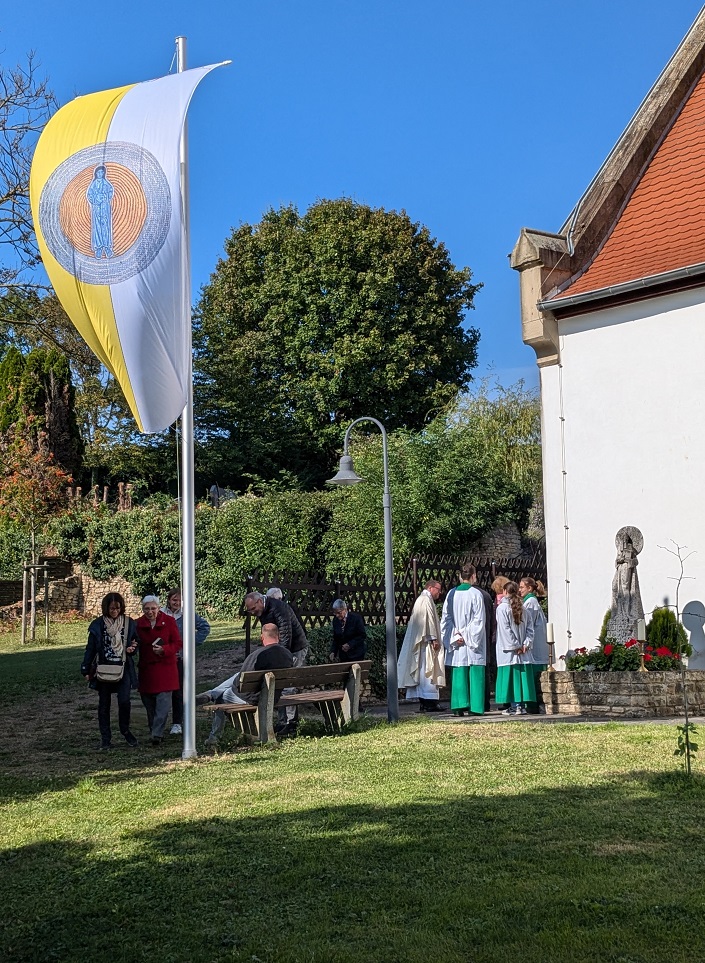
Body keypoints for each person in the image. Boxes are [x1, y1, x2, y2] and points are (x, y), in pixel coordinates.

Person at [197, 622, 294, 745]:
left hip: (251, 698)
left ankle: (214, 737)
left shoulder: (257, 655)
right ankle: (212, 693)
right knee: (236, 676)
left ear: (261, 637)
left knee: (221, 698)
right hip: (273, 696)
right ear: (278, 636)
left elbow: (240, 684)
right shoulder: (287, 654)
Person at [80, 593, 139, 750]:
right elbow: (91, 648)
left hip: (123, 668)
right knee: (104, 704)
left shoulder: (129, 623)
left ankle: (125, 730)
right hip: (104, 669)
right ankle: (105, 738)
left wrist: (132, 649)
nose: (114, 611)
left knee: (125, 701)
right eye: (112, 608)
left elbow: (135, 643)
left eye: (117, 608)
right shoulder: (97, 625)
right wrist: (85, 667)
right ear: (106, 608)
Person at [244, 591, 308, 730]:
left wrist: (280, 656)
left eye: (253, 609)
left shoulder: (278, 608)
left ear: (259, 602)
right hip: (280, 650)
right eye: (249, 611)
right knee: (278, 685)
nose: (252, 613)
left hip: (294, 649)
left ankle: (291, 722)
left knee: (288, 685)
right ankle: (282, 722)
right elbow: (269, 634)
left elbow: (286, 633)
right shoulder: (263, 611)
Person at [162, 588, 211, 736]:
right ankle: (158, 722)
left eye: (179, 600)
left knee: (178, 691)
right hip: (163, 658)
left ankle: (177, 722)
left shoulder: (187, 614)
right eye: (174, 600)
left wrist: (191, 643)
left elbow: (205, 627)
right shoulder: (161, 614)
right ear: (169, 600)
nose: (177, 603)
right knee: (162, 692)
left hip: (180, 657)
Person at [441, 563, 487, 716]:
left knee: (459, 671)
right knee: (475, 672)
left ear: (460, 576)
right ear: (473, 576)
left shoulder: (451, 594)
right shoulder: (476, 593)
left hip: (457, 640)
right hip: (472, 640)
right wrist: (467, 634)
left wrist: (455, 635)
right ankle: (475, 707)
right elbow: (479, 619)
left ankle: (459, 706)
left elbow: (446, 619)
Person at [135, 595, 182, 745]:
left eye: (153, 608)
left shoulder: (169, 622)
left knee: (163, 705)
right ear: (142, 609)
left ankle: (157, 734)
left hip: (166, 669)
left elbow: (177, 643)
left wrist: (165, 649)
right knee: (149, 706)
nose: (150, 612)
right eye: (147, 609)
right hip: (147, 670)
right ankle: (154, 730)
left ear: (159, 608)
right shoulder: (137, 624)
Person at [397, 580, 445, 712]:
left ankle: (427, 702)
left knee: (425, 673)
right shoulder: (425, 600)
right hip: (425, 644)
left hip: (425, 642)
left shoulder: (424, 599)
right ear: (430, 588)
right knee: (426, 672)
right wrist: (433, 638)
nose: (439, 593)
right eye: (438, 589)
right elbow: (427, 621)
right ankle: (429, 703)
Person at [495, 581, 536, 715]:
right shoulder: (523, 608)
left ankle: (514, 705)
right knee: (520, 678)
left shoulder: (502, 608)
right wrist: (525, 644)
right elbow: (530, 629)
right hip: (522, 651)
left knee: (511, 679)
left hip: (510, 651)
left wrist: (515, 646)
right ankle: (521, 705)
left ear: (505, 592)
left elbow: (505, 630)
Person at [520, 577, 548, 714]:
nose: (519, 590)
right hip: (534, 643)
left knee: (533, 676)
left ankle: (532, 705)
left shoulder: (530, 603)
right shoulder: (530, 601)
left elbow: (526, 623)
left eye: (522, 587)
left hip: (533, 645)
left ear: (529, 588)